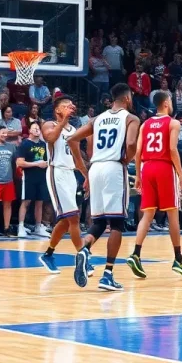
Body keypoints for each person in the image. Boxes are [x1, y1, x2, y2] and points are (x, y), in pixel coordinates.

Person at [69, 83, 140, 292]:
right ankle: (108, 274)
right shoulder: (131, 118)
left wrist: (84, 169)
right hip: (114, 168)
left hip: (96, 168)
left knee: (99, 222)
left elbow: (72, 139)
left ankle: (84, 250)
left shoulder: (96, 119)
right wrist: (127, 159)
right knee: (117, 224)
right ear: (127, 98)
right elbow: (131, 142)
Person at [126, 91, 182, 279]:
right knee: (172, 214)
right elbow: (171, 149)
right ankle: (178, 258)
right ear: (166, 103)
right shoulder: (173, 123)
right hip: (163, 167)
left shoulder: (145, 124)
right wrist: (180, 173)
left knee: (148, 214)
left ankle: (136, 254)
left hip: (147, 168)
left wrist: (138, 174)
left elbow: (137, 152)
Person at [39, 96, 90, 287]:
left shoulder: (74, 130)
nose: (70, 107)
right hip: (55, 172)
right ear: (57, 110)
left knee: (67, 219)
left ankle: (48, 254)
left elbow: (77, 157)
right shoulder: (48, 124)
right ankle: (83, 257)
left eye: (71, 105)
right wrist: (63, 121)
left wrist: (86, 176)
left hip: (70, 174)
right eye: (65, 106)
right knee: (74, 217)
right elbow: (50, 138)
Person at [15, 122, 50, 238]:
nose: (37, 130)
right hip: (29, 176)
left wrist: (46, 164)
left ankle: (38, 226)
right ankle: (21, 226)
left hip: (42, 176)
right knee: (26, 202)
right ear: (29, 130)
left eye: (38, 128)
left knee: (40, 202)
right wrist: (36, 164)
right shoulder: (24, 144)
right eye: (34, 128)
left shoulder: (43, 145)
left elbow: (46, 160)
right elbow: (19, 162)